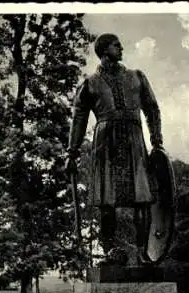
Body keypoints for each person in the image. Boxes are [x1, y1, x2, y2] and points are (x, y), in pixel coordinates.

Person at [65, 33, 164, 265]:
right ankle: (109, 250)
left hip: (134, 140)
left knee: (142, 198)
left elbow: (152, 108)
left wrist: (156, 138)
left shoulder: (137, 77)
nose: (121, 48)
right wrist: (71, 152)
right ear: (103, 49)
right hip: (105, 144)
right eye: (115, 45)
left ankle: (142, 252)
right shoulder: (90, 83)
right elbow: (78, 119)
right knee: (106, 202)